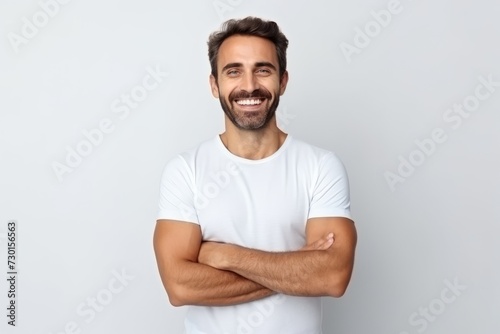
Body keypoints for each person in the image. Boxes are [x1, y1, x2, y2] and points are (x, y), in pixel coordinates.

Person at [153, 16, 357, 334]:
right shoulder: (186, 170)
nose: (249, 86)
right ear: (214, 84)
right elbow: (180, 287)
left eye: (263, 69)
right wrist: (296, 267)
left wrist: (224, 255)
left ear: (283, 81)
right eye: (234, 71)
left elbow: (331, 277)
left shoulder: (320, 166)